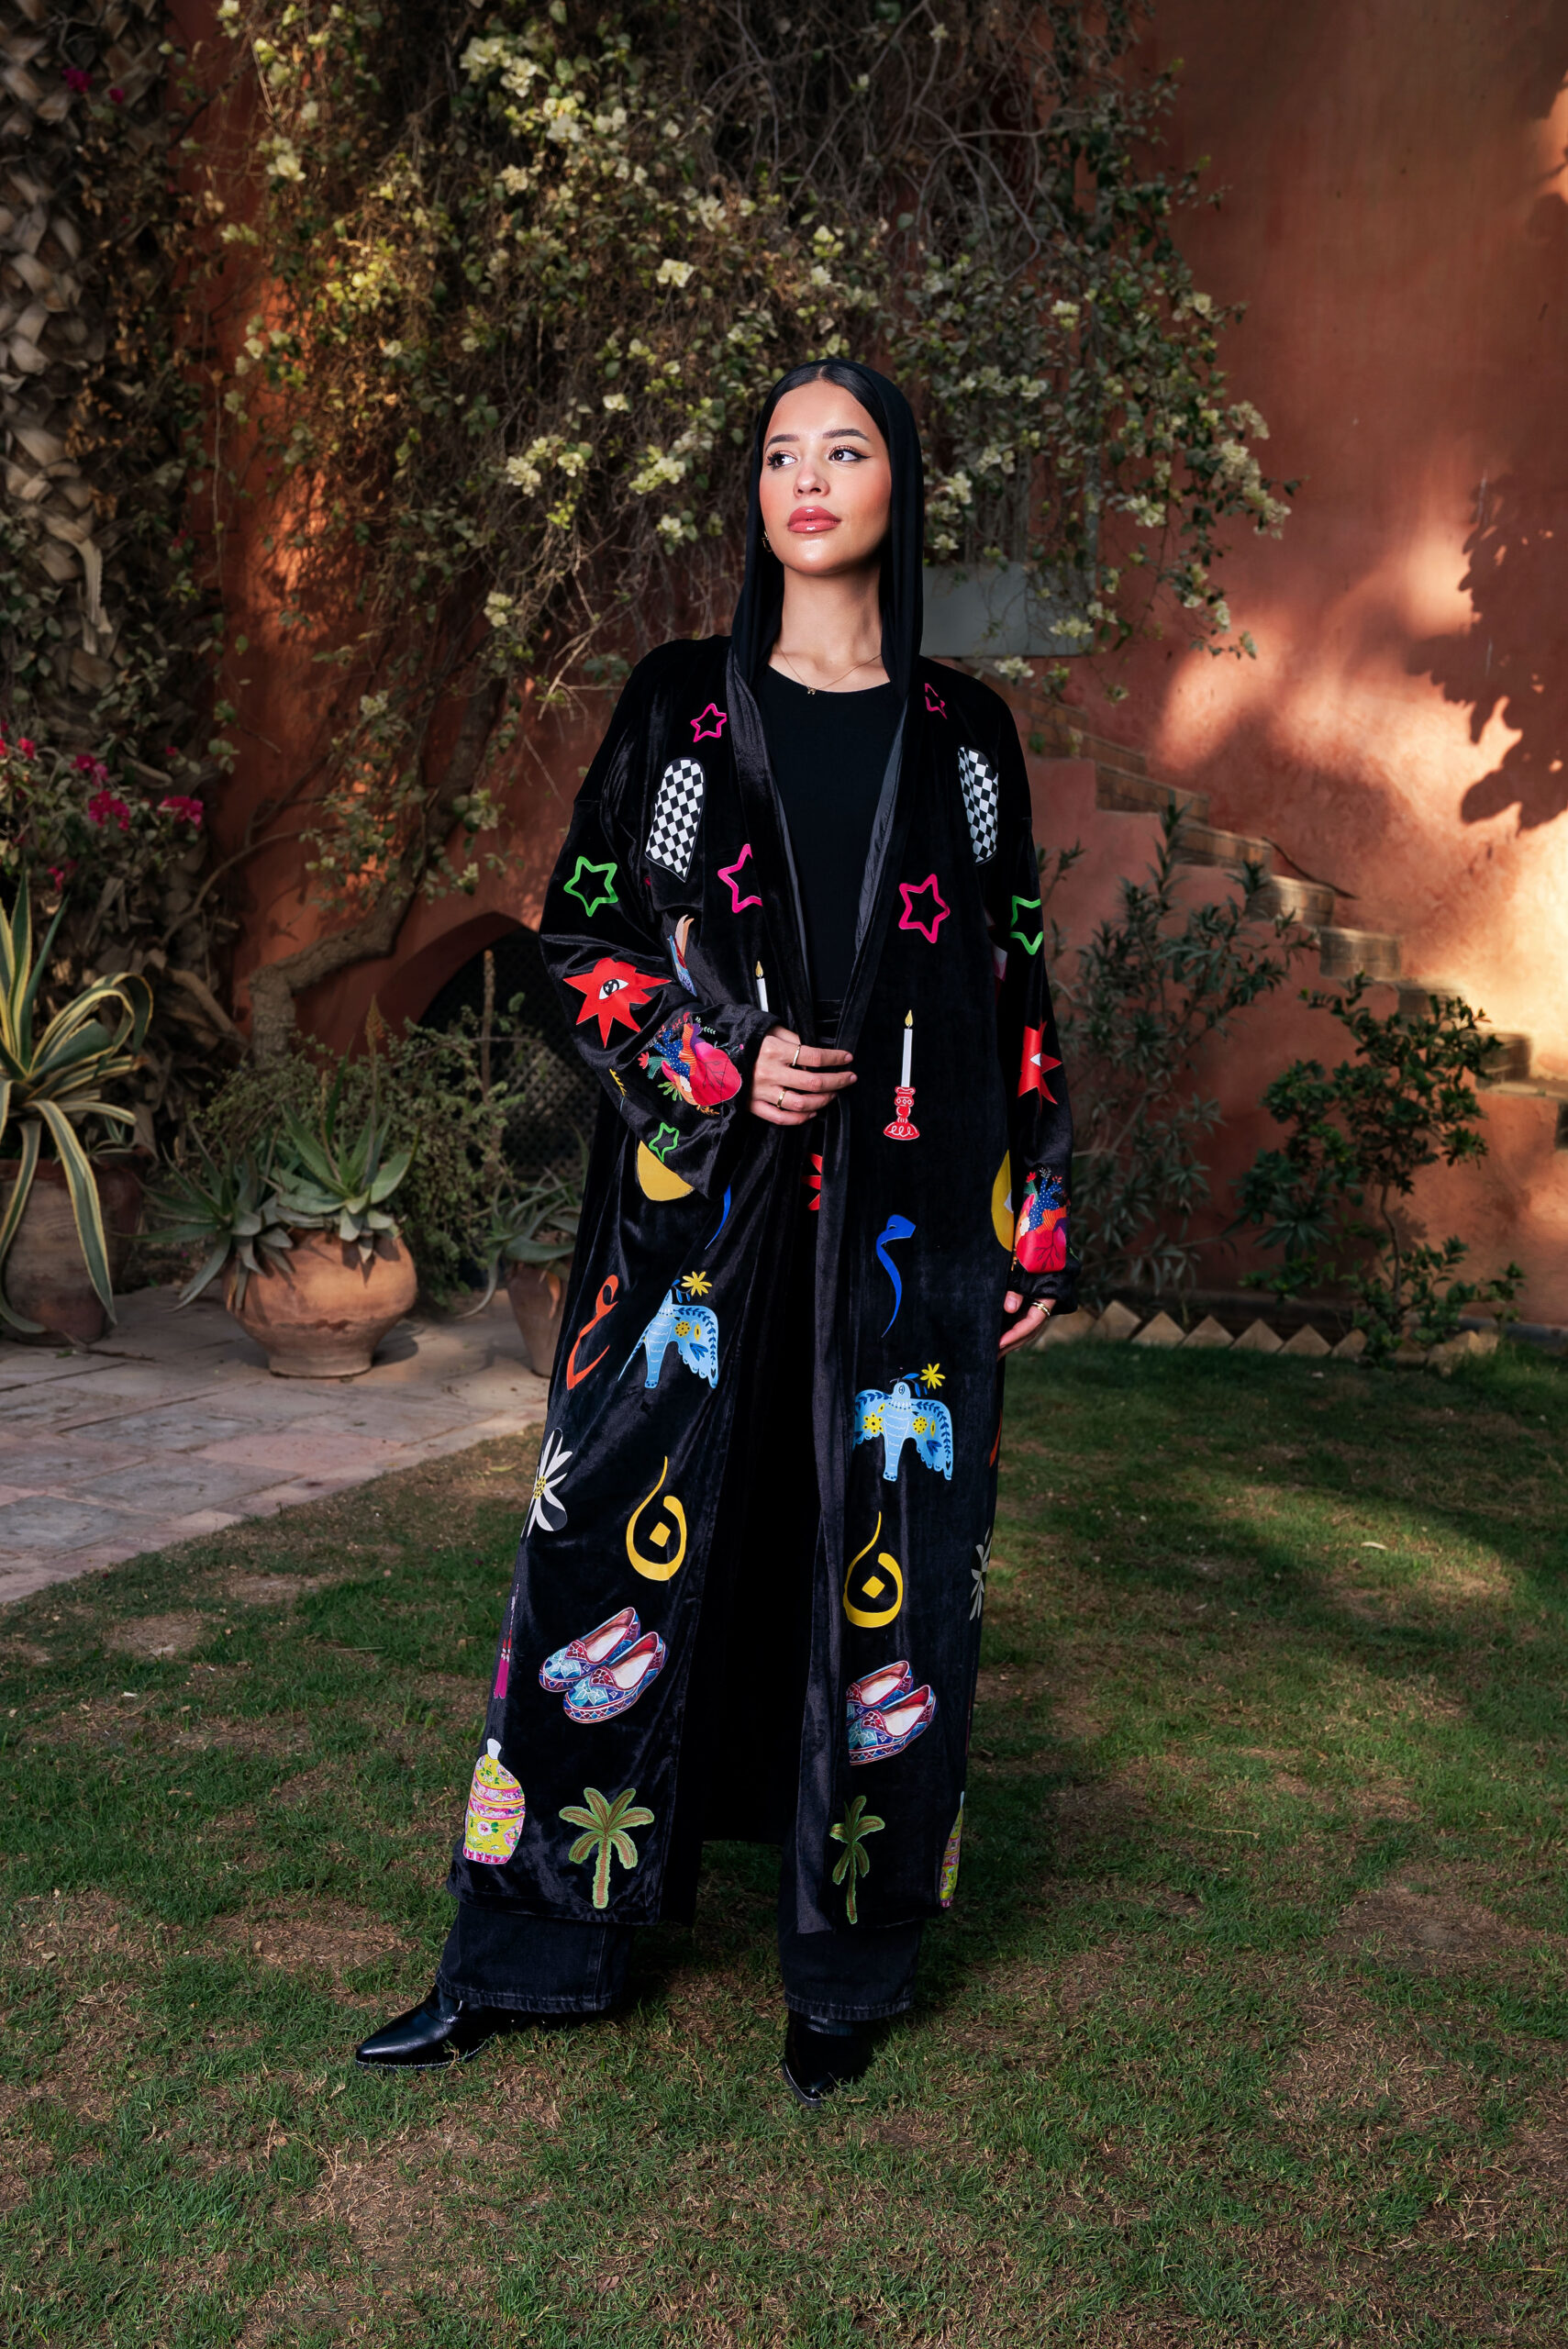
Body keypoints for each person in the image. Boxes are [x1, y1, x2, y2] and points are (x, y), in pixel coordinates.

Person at [356, 360, 1076, 2103]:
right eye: (777, 455)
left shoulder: (964, 732)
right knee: (604, 1538)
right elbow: (579, 932)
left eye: (845, 451)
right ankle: (530, 1943)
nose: (806, 480)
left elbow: (1012, 972)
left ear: (900, 487)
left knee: (881, 1557)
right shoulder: (681, 704)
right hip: (691, 1222)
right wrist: (717, 1059)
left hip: (903, 1223)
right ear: (752, 495)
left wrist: (1034, 1213)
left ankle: (843, 1966)